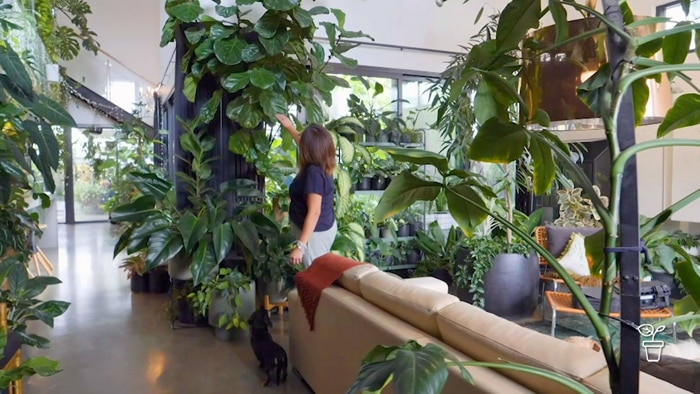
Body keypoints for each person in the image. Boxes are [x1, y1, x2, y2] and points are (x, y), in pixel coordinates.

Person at [276, 114, 337, 268]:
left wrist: (301, 246)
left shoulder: (313, 173)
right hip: (320, 228)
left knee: (315, 275)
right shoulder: (322, 161)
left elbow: (314, 211)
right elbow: (306, 145)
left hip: (315, 235)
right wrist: (289, 127)